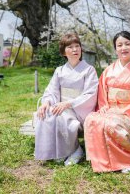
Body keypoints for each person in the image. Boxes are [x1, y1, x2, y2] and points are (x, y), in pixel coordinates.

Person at [84, 31, 130, 173]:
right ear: (115, 49)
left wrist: (123, 111)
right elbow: (102, 92)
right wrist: (104, 106)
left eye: (127, 44)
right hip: (110, 110)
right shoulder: (109, 70)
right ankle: (101, 161)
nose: (124, 48)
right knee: (91, 119)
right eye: (119, 45)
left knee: (112, 124)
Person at [34, 33, 98, 166]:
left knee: (61, 115)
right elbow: (52, 90)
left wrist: (69, 103)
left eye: (77, 46)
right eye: (70, 47)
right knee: (46, 113)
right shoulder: (60, 70)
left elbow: (90, 94)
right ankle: (53, 151)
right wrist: (46, 102)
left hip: (79, 110)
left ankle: (75, 150)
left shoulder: (89, 70)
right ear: (64, 52)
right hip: (62, 107)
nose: (75, 50)